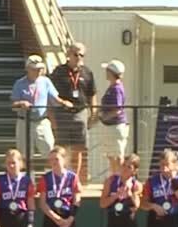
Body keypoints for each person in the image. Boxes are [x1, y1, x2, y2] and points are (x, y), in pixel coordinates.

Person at [48, 42, 96, 178]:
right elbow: (50, 95)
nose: (78, 57)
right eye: (75, 54)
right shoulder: (59, 71)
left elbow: (92, 94)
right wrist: (51, 117)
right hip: (62, 114)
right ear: (68, 54)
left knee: (78, 149)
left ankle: (75, 179)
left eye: (82, 55)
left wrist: (93, 113)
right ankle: (61, 177)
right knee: (62, 149)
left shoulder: (87, 72)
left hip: (80, 113)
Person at [11, 54, 71, 157]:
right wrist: (21, 103)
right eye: (35, 69)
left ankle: (49, 172)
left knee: (49, 149)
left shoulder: (46, 82)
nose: (38, 71)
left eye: (40, 69)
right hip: (24, 122)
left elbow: (54, 99)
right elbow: (13, 105)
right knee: (24, 154)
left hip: (41, 121)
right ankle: (28, 172)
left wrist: (64, 103)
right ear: (28, 69)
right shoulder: (19, 84)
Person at [96, 59, 128, 180]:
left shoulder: (117, 88)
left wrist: (104, 116)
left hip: (116, 126)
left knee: (117, 156)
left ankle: (120, 180)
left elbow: (118, 109)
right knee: (111, 156)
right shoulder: (112, 87)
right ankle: (114, 178)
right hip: (110, 126)